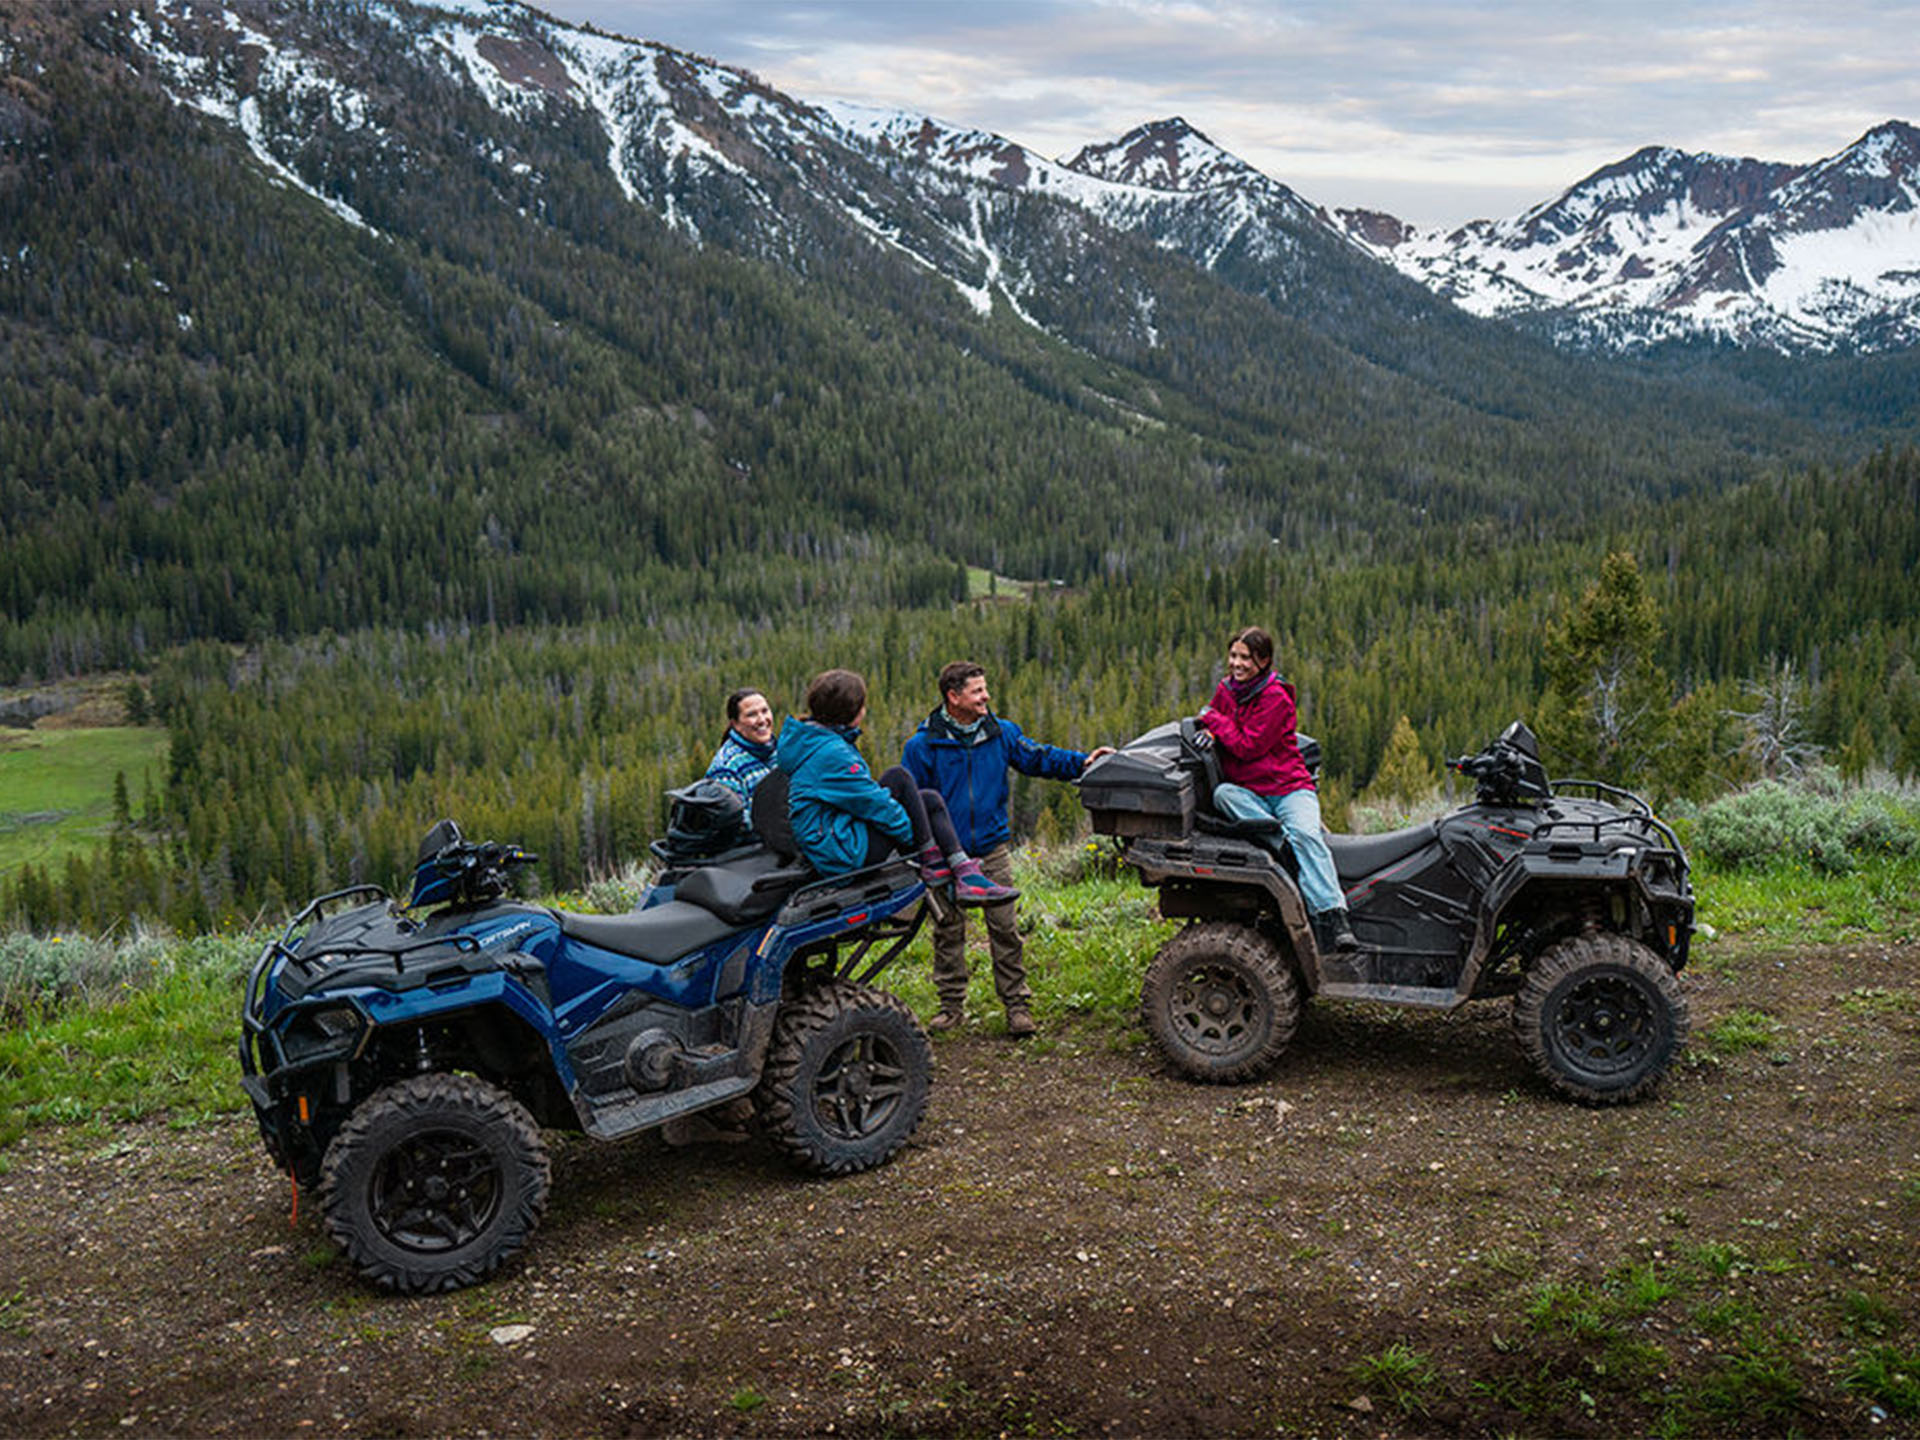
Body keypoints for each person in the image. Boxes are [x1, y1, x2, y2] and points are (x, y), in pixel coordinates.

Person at [901, 662, 1114, 1038]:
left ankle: (1017, 1005)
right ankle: (951, 1007)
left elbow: (1038, 758)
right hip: (945, 856)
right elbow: (912, 802)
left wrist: (1082, 762)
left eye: (985, 689)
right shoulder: (922, 746)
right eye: (977, 691)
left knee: (1005, 929)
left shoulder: (1001, 733)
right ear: (953, 697)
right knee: (948, 930)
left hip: (991, 850)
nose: (986, 697)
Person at [775, 668, 1015, 906]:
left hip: (834, 838)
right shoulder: (832, 753)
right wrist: (913, 832)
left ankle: (963, 871)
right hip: (842, 853)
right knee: (898, 777)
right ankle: (933, 860)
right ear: (851, 712)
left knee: (928, 799)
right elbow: (871, 803)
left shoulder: (816, 741)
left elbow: (863, 799)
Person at [1199, 625, 1358, 953]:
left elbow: (1247, 745)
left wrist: (1213, 721)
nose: (1237, 664)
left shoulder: (1275, 696)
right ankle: (1279, 841)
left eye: (1246, 658)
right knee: (1222, 795)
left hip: (1288, 789)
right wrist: (1212, 730)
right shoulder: (1227, 690)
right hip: (1249, 791)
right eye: (1233, 655)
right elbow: (1216, 721)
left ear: (1264, 661)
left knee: (1307, 834)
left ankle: (1333, 915)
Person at [704, 687, 776, 817]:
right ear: (735, 724)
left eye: (765, 711)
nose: (762, 720)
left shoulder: (780, 752)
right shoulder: (725, 769)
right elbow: (734, 824)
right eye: (752, 714)